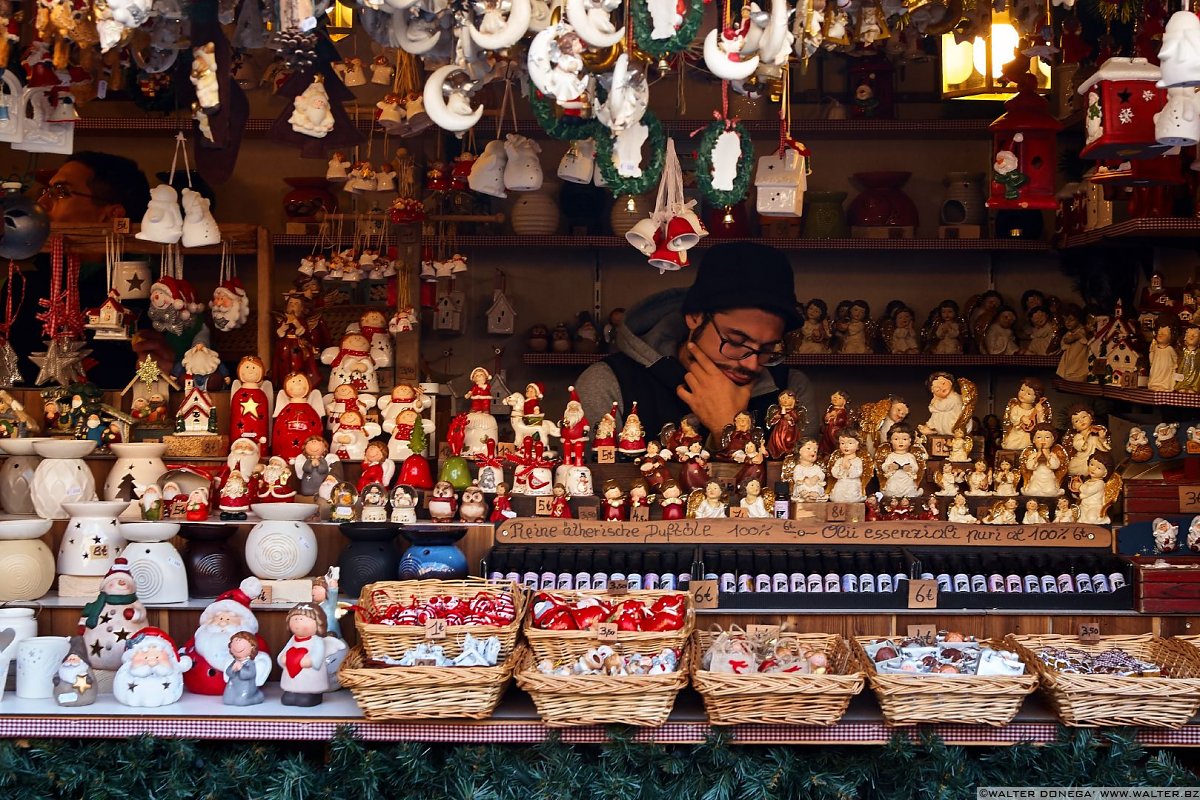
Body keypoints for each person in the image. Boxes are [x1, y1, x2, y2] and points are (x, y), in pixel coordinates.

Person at [576, 242, 816, 440]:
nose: (752, 365)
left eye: (767, 349)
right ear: (695, 316)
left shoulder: (791, 390)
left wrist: (727, 430)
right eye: (735, 341)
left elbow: (807, 491)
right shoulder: (610, 384)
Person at [13, 153, 152, 387]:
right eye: (45, 192)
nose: (42, 204)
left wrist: (158, 367)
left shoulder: (154, 293)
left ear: (111, 214)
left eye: (60, 192)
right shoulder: (22, 286)